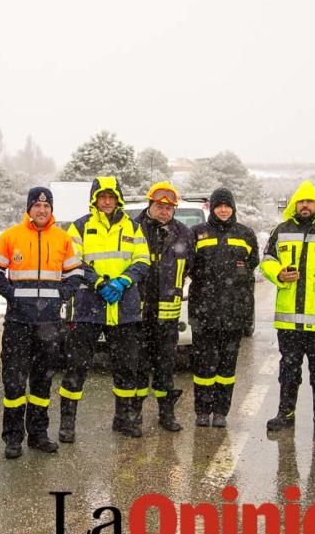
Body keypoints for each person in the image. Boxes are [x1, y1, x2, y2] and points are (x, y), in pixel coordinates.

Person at [0, 188, 83, 458]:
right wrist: (13, 295)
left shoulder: (63, 238)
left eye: (46, 206)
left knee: (43, 382)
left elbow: (76, 272)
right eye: (37, 205)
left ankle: (39, 434)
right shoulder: (11, 236)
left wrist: (62, 295)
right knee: (14, 383)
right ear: (29, 208)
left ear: (51, 209)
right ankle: (13, 438)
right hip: (18, 322)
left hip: (49, 324)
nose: (42, 210)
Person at [64, 177, 150, 438]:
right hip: (89, 306)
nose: (107, 201)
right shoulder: (79, 227)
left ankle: (123, 419)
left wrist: (123, 281)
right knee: (77, 366)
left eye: (111, 197)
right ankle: (67, 424)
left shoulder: (132, 227)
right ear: (94, 199)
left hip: (124, 308)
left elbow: (143, 259)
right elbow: (72, 262)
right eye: (102, 197)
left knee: (126, 367)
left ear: (118, 198)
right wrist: (99, 283)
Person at [260, 181, 315, 437]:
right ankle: (285, 414)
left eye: (309, 201)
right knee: (288, 369)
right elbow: (267, 261)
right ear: (294, 205)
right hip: (288, 318)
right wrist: (278, 273)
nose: (305, 205)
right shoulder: (281, 230)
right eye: (301, 201)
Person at [188, 187, 259, 428]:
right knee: (203, 365)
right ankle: (202, 410)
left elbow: (252, 265)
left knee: (227, 366)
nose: (223, 210)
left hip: (234, 313)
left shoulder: (246, 234)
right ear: (212, 208)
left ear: (233, 207)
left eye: (227, 206)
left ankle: (220, 411)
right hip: (203, 311)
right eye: (219, 206)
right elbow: (188, 265)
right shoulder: (197, 233)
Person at [133, 181, 195, 432]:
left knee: (165, 366)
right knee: (136, 365)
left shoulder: (183, 233)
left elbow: (190, 266)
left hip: (168, 314)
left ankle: (166, 414)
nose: (164, 211)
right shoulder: (133, 229)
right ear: (151, 204)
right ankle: (132, 414)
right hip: (138, 312)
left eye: (170, 208)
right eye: (160, 206)